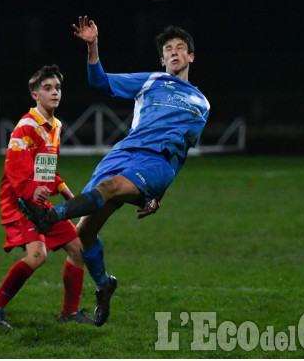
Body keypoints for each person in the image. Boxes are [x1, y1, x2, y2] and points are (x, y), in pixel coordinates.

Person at [19, 16, 210, 327]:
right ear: (162, 60)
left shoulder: (200, 103)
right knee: (84, 234)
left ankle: (50, 216)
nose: (174, 52)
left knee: (109, 188)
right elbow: (101, 81)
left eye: (180, 48)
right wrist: (92, 45)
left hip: (156, 163)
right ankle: (105, 284)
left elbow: (182, 152)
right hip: (122, 154)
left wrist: (159, 195)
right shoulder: (151, 81)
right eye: (168, 49)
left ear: (190, 56)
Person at [0, 64, 93, 329]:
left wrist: (66, 192)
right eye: (47, 88)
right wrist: (31, 191)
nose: (55, 93)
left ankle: (69, 313)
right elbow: (14, 168)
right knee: (37, 255)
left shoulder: (55, 125)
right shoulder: (26, 126)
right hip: (19, 201)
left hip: (38, 201)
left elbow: (46, 168)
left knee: (77, 249)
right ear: (35, 95)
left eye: (58, 88)